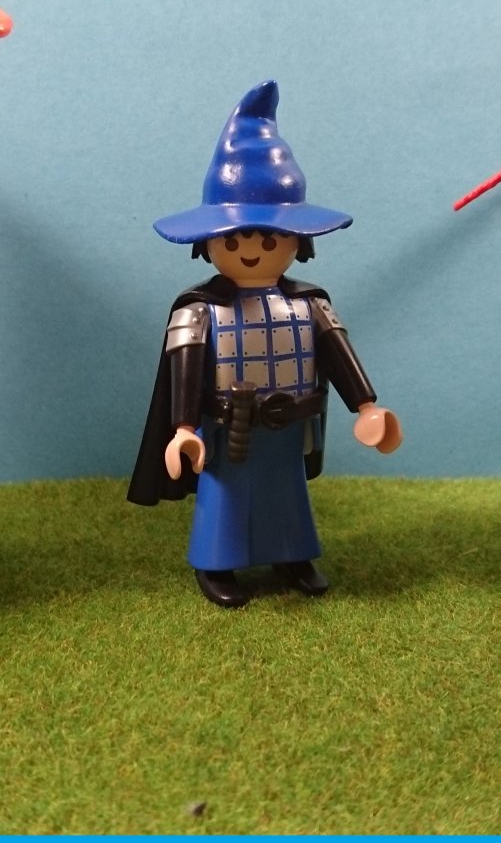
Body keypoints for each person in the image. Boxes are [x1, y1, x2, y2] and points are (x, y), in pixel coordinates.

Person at [128, 80, 401, 608]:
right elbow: (185, 369)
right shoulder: (200, 311)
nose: (251, 250)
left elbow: (337, 355)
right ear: (208, 244)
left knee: (287, 493)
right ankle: (217, 564)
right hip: (226, 423)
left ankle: (293, 556)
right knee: (226, 498)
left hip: (290, 423)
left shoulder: (308, 304)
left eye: (270, 238)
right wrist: (183, 428)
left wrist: (367, 407)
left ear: (298, 241)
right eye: (233, 239)